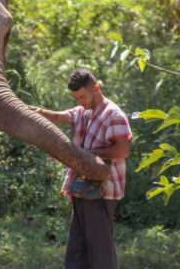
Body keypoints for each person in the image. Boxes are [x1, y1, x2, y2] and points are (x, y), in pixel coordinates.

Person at [30, 69, 132, 269]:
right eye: (76, 98)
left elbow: (122, 150)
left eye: (83, 96)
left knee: (100, 251)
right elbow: (63, 116)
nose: (80, 102)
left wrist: (86, 153)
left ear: (96, 88)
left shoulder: (113, 114)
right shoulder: (85, 111)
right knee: (77, 248)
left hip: (103, 191)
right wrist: (39, 112)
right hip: (81, 189)